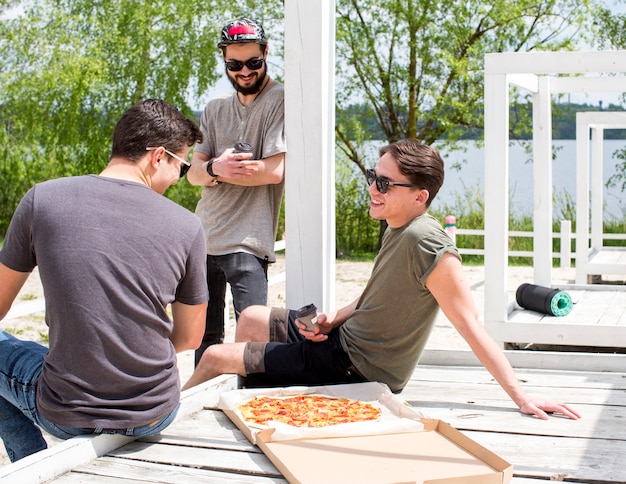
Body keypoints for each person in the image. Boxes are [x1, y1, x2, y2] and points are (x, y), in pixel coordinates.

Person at [183, 139, 581, 421]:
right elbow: (376, 296)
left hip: (356, 367)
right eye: (375, 176)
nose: (373, 189)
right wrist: (332, 318)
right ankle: (260, 395)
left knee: (216, 357)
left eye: (385, 184)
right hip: (341, 340)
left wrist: (522, 397)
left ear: (420, 196)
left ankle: (166, 419)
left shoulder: (428, 245)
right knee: (252, 316)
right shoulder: (398, 225)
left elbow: (471, 327)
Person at [0, 99, 208, 462]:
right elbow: (190, 337)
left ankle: (28, 463)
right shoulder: (187, 225)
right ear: (158, 157)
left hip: (67, 413)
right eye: (182, 164)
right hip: (154, 412)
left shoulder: (42, 200)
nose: (178, 177)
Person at [186, 17, 286, 366]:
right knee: (205, 339)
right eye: (235, 64)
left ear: (266, 53)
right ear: (225, 60)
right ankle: (202, 405)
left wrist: (218, 170)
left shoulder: (282, 100)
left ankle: (249, 400)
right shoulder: (214, 109)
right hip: (203, 236)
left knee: (253, 334)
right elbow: (193, 175)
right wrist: (215, 168)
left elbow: (274, 171)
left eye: (253, 63)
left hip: (248, 241)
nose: (244, 71)